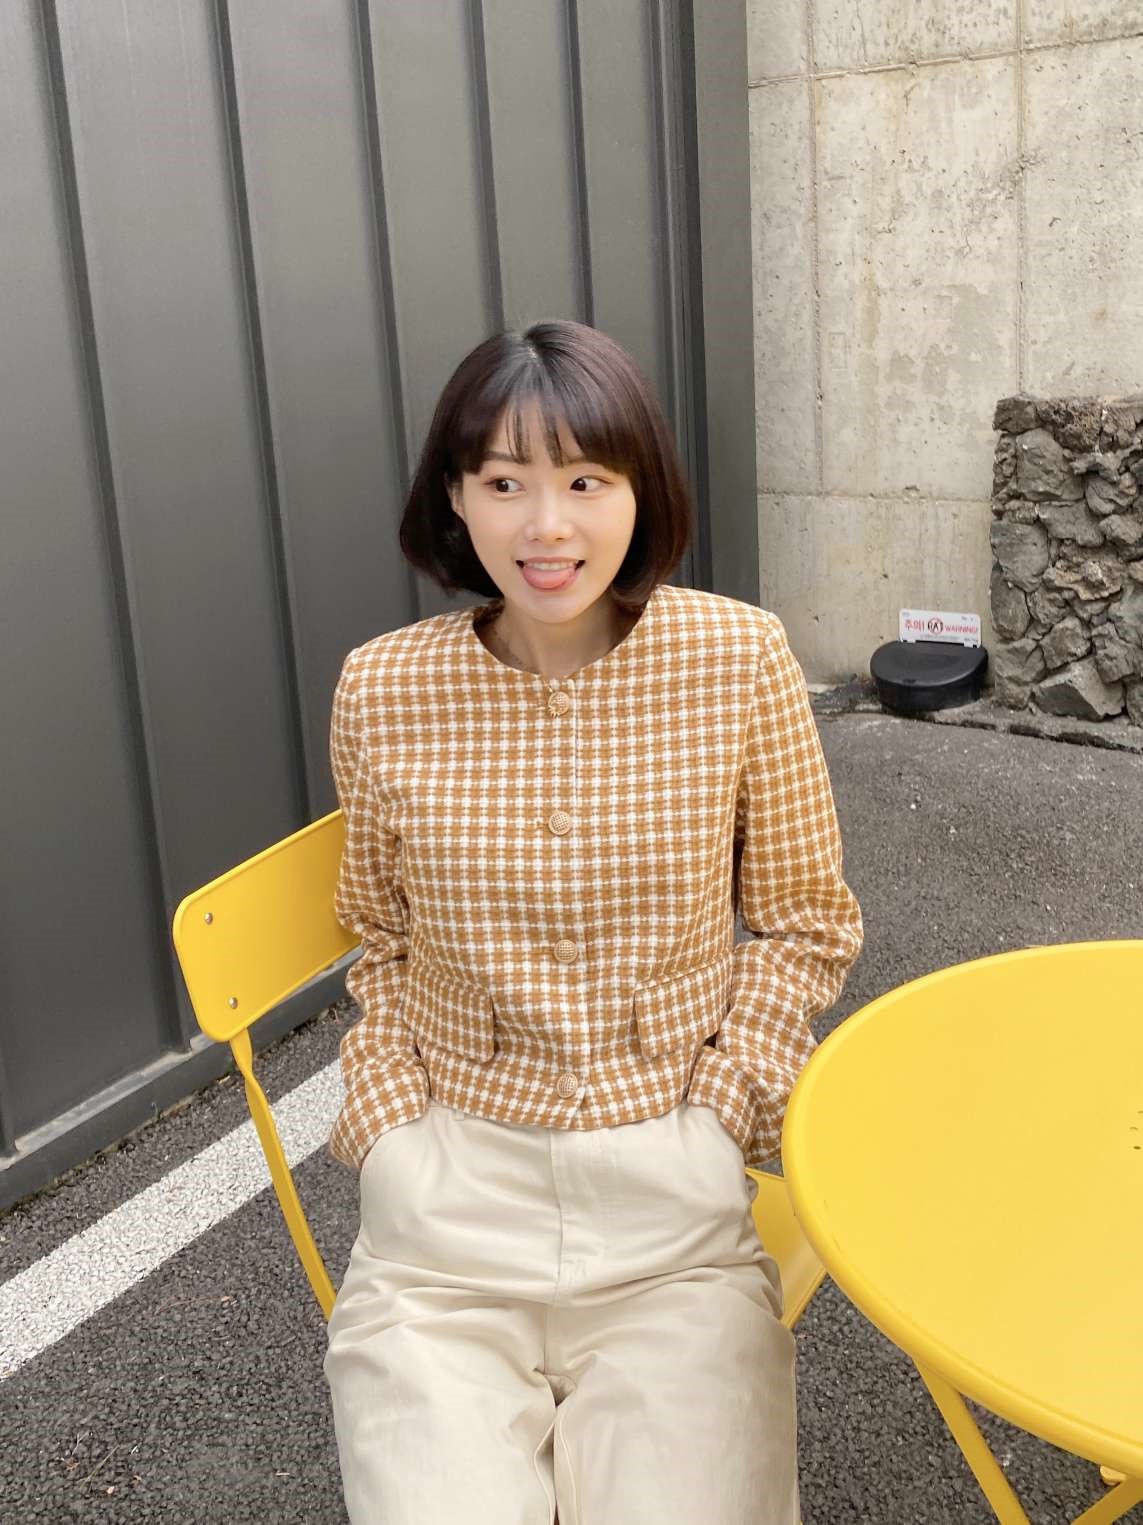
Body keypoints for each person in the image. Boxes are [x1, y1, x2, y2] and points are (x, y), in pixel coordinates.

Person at [321, 319, 863, 1524]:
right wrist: (392, 1133)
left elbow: (804, 923)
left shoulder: (738, 659)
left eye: (583, 481)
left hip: (672, 1204)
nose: (546, 526)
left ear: (639, 489)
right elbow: (380, 936)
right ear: (454, 497)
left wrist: (720, 1115)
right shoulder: (383, 686)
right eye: (503, 482)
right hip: (444, 1213)